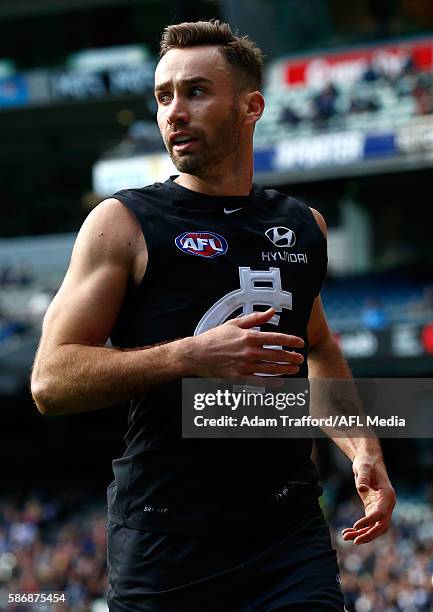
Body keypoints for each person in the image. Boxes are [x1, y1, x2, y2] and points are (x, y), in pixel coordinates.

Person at [31, 19, 396, 611]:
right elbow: (50, 381)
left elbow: (319, 347)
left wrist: (361, 449)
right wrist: (189, 356)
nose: (174, 112)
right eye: (163, 96)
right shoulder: (121, 224)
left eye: (196, 92)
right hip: (165, 539)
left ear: (251, 107)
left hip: (287, 536)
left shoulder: (304, 226)